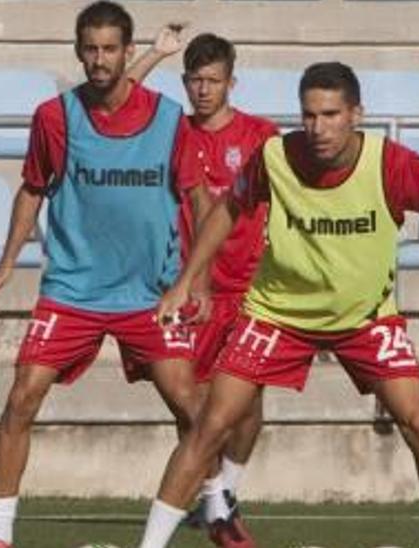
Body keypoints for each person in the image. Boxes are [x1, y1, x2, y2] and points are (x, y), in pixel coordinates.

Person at [139, 61, 419, 548]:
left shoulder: (391, 164)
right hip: (278, 313)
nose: (318, 127)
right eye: (309, 115)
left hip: (364, 318)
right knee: (211, 424)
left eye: (331, 114)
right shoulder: (274, 156)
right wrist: (186, 280)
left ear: (356, 114)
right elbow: (229, 209)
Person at [0, 2, 218, 547]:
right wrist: (7, 261)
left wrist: (196, 280)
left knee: (192, 404)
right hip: (72, 288)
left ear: (128, 52)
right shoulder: (55, 117)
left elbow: (200, 199)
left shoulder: (169, 118)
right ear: (78, 51)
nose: (100, 59)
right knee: (22, 396)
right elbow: (33, 189)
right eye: (91, 49)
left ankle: (216, 507)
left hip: (149, 292)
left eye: (110, 49)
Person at [127, 27, 279, 544]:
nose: (202, 90)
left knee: (249, 403)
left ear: (231, 82)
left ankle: (223, 496)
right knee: (191, 401)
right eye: (194, 80)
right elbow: (117, 101)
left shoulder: (262, 135)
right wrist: (201, 281)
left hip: (253, 286)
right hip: (196, 289)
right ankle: (214, 502)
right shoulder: (177, 131)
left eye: (212, 80)